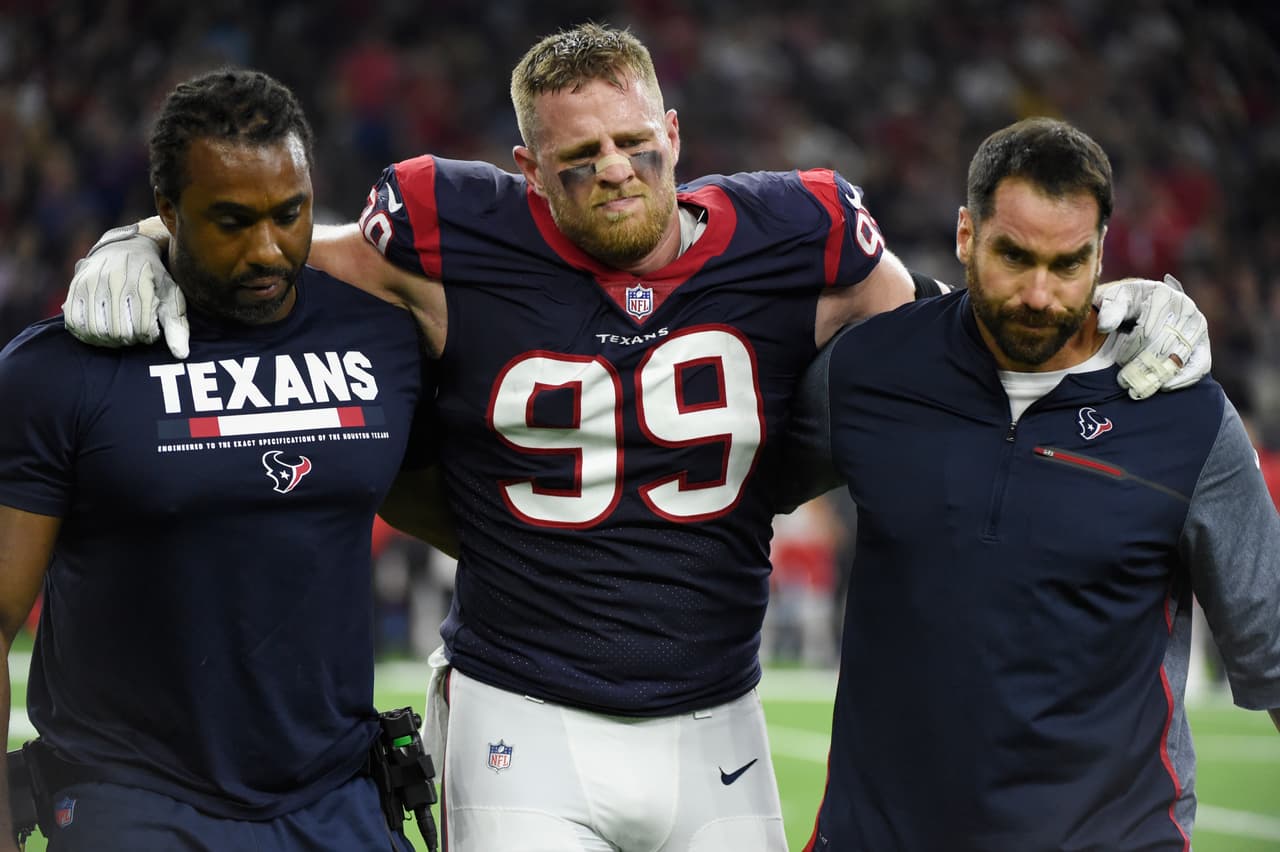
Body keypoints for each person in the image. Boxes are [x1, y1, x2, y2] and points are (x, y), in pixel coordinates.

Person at [61, 25, 1213, 852]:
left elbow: (946, 349)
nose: (612, 169)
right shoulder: (449, 228)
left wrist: (1110, 315)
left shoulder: (798, 230)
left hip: (716, 707)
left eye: (632, 143)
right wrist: (143, 239)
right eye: (576, 158)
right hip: (523, 705)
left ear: (672, 130)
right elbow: (271, 256)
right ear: (526, 171)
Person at [780, 117, 1280, 851]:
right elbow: (723, 493)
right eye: (1014, 256)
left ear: (1102, 254)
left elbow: (1271, 647)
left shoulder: (1184, 415)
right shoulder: (869, 373)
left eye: (1069, 263)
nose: (1040, 294)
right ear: (964, 235)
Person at [0, 69, 437, 851]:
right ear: (165, 211)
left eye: (289, 214)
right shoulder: (58, 370)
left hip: (339, 799)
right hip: (130, 802)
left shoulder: (385, 339)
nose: (268, 248)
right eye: (232, 221)